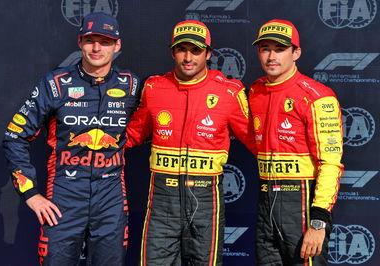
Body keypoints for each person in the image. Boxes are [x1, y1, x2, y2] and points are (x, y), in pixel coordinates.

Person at [2, 12, 140, 265]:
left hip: (111, 199)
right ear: (80, 42)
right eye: (90, 40)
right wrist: (30, 193)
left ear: (117, 45)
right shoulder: (55, 84)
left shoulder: (131, 86)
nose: (96, 48)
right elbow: (14, 137)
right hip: (64, 197)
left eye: (105, 41)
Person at [125, 20, 256, 265]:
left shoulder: (229, 92)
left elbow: (256, 141)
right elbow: (133, 135)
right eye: (182, 49)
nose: (188, 57)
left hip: (205, 199)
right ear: (172, 51)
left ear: (208, 54)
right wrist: (93, 142)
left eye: (196, 50)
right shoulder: (154, 87)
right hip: (162, 198)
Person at [248, 19, 344, 265]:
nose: (271, 56)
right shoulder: (255, 92)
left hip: (302, 205)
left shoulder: (318, 97)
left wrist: (319, 222)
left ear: (296, 52)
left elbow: (331, 163)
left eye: (279, 49)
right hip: (265, 203)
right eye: (265, 48)